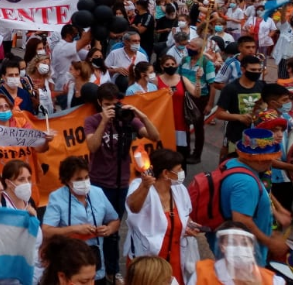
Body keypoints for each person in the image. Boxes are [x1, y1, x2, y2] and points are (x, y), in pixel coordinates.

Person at [84, 83, 160, 284]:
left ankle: (113, 270)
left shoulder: (126, 119)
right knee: (97, 229)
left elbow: (154, 136)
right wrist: (104, 121)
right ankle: (94, 271)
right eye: (107, 104)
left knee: (114, 230)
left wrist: (140, 114)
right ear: (99, 103)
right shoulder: (92, 121)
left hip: (121, 182)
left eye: (115, 103)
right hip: (99, 184)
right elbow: (92, 146)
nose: (112, 108)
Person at [213, 128, 289, 265]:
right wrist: (270, 242)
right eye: (269, 159)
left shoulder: (234, 163)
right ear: (260, 159)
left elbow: (261, 192)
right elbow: (242, 221)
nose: (271, 163)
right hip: (243, 256)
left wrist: (277, 211)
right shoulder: (246, 184)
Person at [42, 156, 120, 285]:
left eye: (86, 177)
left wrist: (109, 229)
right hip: (69, 264)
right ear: (67, 180)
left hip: (95, 263)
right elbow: (46, 231)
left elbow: (115, 220)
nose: (84, 182)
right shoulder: (57, 197)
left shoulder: (98, 192)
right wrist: (75, 229)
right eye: (79, 179)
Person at [125, 149, 198, 284]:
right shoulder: (139, 186)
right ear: (165, 173)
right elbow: (133, 208)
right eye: (179, 169)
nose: (182, 173)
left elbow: (186, 215)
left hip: (175, 258)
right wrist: (145, 187)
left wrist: (190, 226)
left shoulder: (179, 188)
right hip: (149, 263)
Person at [0, 94, 50, 201]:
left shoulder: (23, 124)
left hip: (26, 186)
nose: (4, 109)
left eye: (6, 106)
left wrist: (46, 141)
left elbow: (40, 149)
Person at [189, 222, 285, 285]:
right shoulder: (202, 273)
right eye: (232, 243)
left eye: (244, 243)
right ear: (222, 246)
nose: (239, 247)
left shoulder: (272, 281)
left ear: (252, 247)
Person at [215, 55, 265, 161]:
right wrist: (239, 117)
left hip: (256, 136)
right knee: (232, 163)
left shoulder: (262, 86)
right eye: (253, 70)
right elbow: (219, 114)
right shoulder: (230, 88)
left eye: (259, 70)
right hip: (235, 136)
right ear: (243, 69)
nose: (256, 72)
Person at [178, 38, 215, 164]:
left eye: (192, 46)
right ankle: (185, 150)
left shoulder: (206, 63)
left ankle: (196, 154)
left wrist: (210, 104)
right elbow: (178, 77)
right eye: (188, 44)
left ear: (200, 50)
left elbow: (212, 85)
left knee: (198, 126)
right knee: (184, 124)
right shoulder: (184, 60)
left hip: (200, 98)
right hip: (185, 96)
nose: (188, 47)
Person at [157, 55, 198, 167]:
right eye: (167, 65)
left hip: (180, 123)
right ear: (162, 67)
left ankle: (180, 177)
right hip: (164, 123)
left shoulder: (182, 79)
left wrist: (198, 80)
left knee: (181, 153)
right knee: (164, 152)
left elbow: (196, 94)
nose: (171, 66)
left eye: (173, 64)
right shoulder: (156, 81)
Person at [52, 25, 91, 91]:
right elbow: (85, 40)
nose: (77, 36)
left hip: (69, 87)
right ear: (69, 35)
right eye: (75, 34)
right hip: (64, 88)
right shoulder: (64, 48)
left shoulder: (67, 47)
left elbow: (89, 55)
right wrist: (95, 24)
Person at [274, 9, 293, 79]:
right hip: (285, 58)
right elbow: (283, 18)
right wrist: (282, 11)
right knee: (283, 77)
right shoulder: (285, 28)